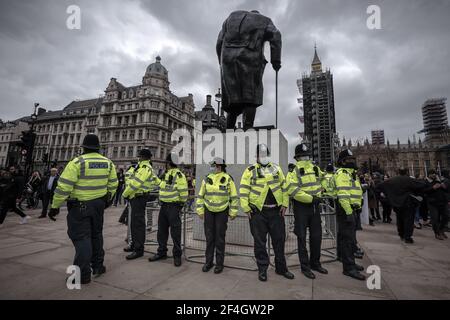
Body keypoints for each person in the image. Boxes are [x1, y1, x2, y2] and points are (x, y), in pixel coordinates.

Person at [48, 134, 118, 284]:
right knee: (96, 236)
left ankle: (81, 274)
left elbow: (63, 187)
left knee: (82, 238)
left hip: (80, 207)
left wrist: (55, 206)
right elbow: (113, 184)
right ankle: (98, 266)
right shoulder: (108, 163)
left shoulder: (77, 162)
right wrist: (108, 199)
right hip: (98, 205)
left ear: (84, 147)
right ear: (98, 148)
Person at [217, 10, 281, 130]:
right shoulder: (264, 20)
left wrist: (221, 63)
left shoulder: (229, 19)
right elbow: (276, 35)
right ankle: (248, 128)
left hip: (227, 60)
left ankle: (229, 130)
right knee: (250, 96)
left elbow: (219, 43)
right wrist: (276, 61)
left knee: (232, 101)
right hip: (250, 59)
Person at [240, 144, 294, 282]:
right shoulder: (250, 170)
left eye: (265, 154)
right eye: (260, 154)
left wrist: (285, 203)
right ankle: (262, 269)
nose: (262, 157)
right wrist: (246, 208)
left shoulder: (276, 168)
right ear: (256, 156)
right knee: (259, 243)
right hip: (258, 212)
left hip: (276, 212)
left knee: (279, 241)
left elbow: (284, 187)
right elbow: (244, 189)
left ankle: (281, 269)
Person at [285, 143, 328, 279]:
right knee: (302, 238)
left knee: (316, 237)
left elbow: (325, 178)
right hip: (301, 208)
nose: (305, 158)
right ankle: (305, 267)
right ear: (297, 158)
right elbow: (292, 189)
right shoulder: (294, 171)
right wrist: (311, 198)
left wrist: (323, 190)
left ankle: (315, 263)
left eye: (306, 155)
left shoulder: (315, 169)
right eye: (302, 156)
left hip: (315, 208)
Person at [196, 157, 238, 274]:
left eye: (213, 165)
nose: (212, 168)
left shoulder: (228, 179)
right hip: (209, 211)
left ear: (219, 166)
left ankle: (219, 264)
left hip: (222, 211)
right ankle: (208, 262)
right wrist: (200, 210)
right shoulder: (207, 178)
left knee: (219, 238)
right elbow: (200, 196)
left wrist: (233, 212)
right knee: (209, 238)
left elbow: (234, 197)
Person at [148, 153, 188, 267]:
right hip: (164, 206)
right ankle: (161, 252)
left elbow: (183, 193)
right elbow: (162, 186)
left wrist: (179, 205)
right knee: (161, 231)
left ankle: (177, 256)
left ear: (168, 163)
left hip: (173, 207)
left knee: (175, 233)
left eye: (166, 163)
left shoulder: (179, 175)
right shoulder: (166, 174)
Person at [122, 149, 161, 260]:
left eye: (140, 156)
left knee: (138, 224)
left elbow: (135, 184)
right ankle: (134, 244)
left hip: (139, 197)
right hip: (136, 197)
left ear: (143, 157)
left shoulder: (145, 168)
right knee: (134, 223)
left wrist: (125, 194)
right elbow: (156, 181)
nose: (138, 158)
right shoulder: (140, 167)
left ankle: (139, 249)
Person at [334, 149, 366, 281]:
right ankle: (349, 268)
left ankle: (348, 261)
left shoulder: (351, 174)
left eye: (353, 159)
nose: (352, 161)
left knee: (347, 239)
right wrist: (348, 212)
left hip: (352, 209)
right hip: (346, 210)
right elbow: (343, 195)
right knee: (348, 240)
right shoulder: (342, 174)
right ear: (343, 161)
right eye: (349, 159)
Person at [378, 168, 426, 244]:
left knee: (399, 219)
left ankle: (401, 234)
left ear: (398, 172)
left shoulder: (392, 180)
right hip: (408, 203)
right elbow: (422, 185)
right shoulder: (409, 180)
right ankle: (407, 237)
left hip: (397, 203)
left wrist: (389, 196)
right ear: (406, 172)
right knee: (408, 220)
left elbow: (380, 186)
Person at [423, 169, 448, 240]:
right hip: (432, 203)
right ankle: (437, 233)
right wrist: (433, 188)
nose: (434, 175)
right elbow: (424, 191)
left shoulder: (439, 180)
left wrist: (444, 187)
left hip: (442, 202)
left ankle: (441, 229)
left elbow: (446, 190)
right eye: (432, 173)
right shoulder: (425, 182)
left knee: (446, 216)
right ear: (429, 174)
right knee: (435, 218)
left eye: (435, 173)